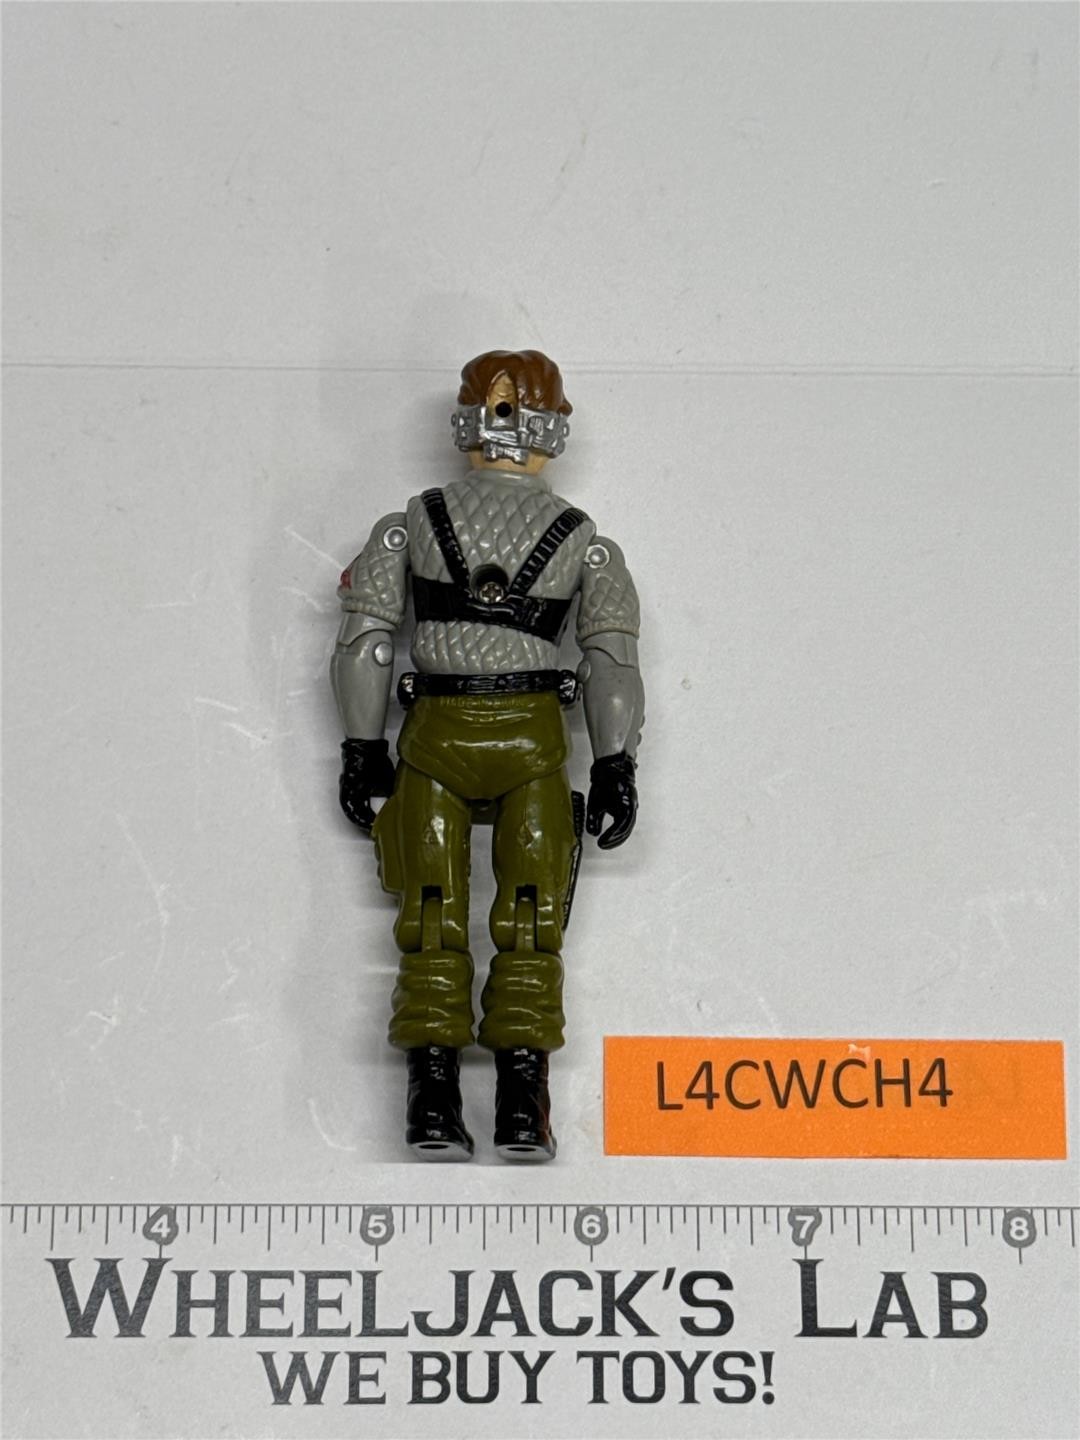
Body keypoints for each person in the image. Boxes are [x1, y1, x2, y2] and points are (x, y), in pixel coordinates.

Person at [332, 350, 644, 1161]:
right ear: (553, 430)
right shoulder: (584, 543)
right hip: (532, 744)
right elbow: (610, 664)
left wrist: (362, 748)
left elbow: (367, 645)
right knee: (532, 921)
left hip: (434, 737)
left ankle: (433, 1098)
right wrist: (614, 763)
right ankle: (521, 1099)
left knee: (430, 916)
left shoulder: (409, 526)